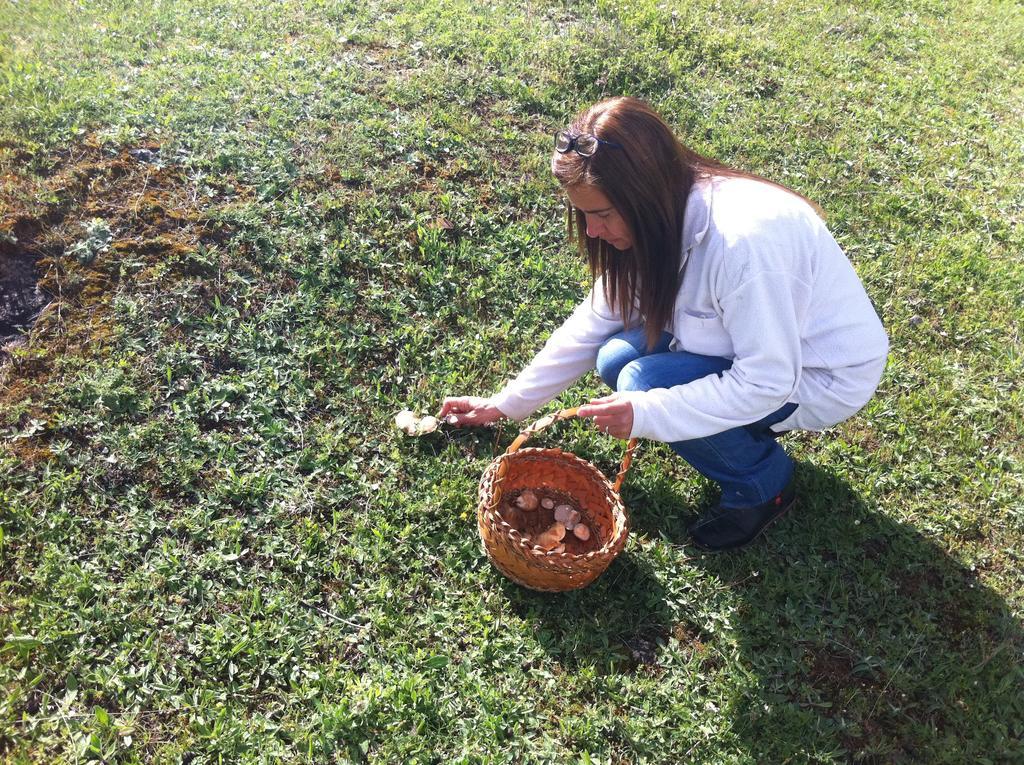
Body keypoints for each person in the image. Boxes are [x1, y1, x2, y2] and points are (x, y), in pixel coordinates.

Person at [439, 97, 889, 551]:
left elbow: (769, 379)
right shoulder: (662, 214)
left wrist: (649, 413)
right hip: (749, 344)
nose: (592, 232)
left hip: (817, 374)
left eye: (602, 215)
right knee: (617, 356)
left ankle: (762, 485)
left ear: (644, 195)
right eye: (585, 216)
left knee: (641, 380)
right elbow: (598, 319)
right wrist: (506, 404)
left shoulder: (743, 248)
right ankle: (730, 432)